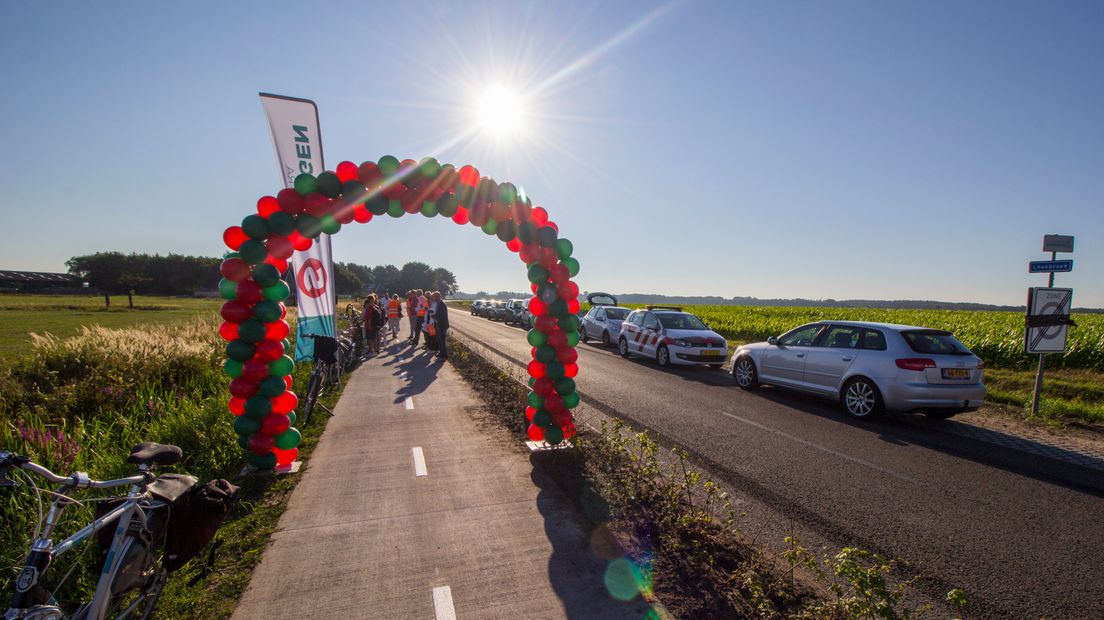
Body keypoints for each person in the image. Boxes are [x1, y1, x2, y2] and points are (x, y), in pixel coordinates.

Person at [431, 291, 449, 360]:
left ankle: (444, 355)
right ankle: (442, 353)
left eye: (435, 297)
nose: (434, 298)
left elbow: (442, 316)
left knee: (442, 340)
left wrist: (435, 316)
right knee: (439, 340)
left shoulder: (442, 304)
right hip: (438, 324)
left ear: (438, 296)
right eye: (433, 297)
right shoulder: (438, 303)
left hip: (442, 325)